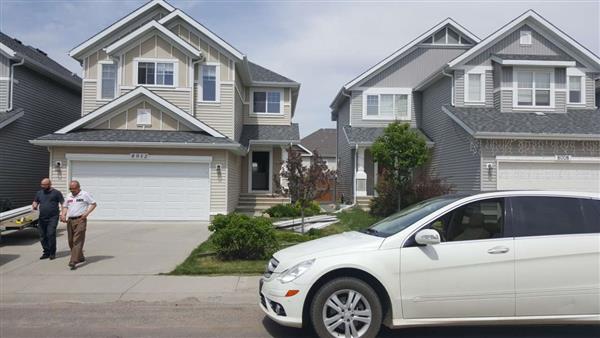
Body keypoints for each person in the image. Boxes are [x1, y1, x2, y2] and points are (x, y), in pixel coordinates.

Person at [60, 180, 97, 270]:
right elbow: (65, 206)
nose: (72, 190)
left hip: (80, 219)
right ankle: (80, 257)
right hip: (70, 220)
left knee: (77, 240)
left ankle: (73, 261)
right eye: (70, 189)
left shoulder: (84, 194)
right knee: (71, 241)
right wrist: (63, 214)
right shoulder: (69, 195)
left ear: (78, 187)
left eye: (73, 189)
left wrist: (87, 213)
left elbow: (93, 204)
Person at [32, 178, 64, 260]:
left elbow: (63, 203)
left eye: (44, 185)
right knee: (42, 236)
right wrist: (34, 205)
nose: (42, 186)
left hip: (53, 217)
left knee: (50, 234)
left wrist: (63, 214)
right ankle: (46, 252)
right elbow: (35, 201)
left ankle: (52, 253)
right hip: (42, 217)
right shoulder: (39, 193)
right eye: (41, 185)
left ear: (49, 184)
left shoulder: (56, 193)